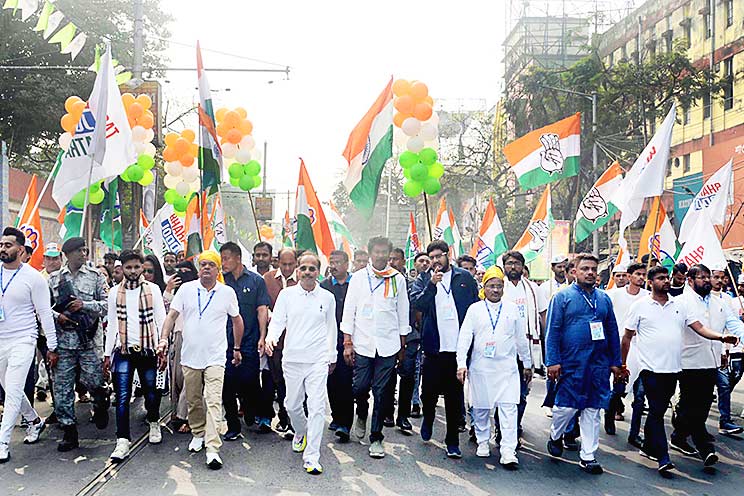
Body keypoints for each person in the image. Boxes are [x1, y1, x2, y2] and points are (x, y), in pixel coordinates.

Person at [622, 265, 739, 475]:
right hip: (651, 368)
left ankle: (650, 447)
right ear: (650, 282)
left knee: (660, 412)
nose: (666, 280)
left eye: (666, 277)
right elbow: (627, 337)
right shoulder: (640, 306)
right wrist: (621, 364)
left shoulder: (679, 305)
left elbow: (699, 328)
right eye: (660, 278)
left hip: (674, 369)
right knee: (657, 411)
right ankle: (665, 458)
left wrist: (722, 338)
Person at [158, 250, 243, 470]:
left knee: (213, 401)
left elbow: (237, 321)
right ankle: (197, 432)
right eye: (203, 264)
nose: (206, 268)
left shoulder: (226, 292)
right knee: (194, 400)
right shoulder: (186, 290)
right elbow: (171, 316)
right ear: (199, 269)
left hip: (215, 357)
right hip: (190, 356)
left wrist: (236, 347)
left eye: (211, 265)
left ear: (218, 269)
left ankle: (213, 448)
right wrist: (163, 339)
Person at [545, 253, 622, 475]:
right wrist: (553, 361)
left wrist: (615, 362)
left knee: (592, 409)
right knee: (565, 407)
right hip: (571, 363)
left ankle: (588, 456)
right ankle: (556, 434)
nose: (590, 273)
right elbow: (553, 331)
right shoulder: (562, 297)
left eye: (593, 269)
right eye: (585, 269)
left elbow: (612, 331)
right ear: (574, 271)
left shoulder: (604, 298)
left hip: (598, 364)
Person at [266, 252, 337, 475]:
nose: (307, 272)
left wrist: (331, 355)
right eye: (303, 268)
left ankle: (312, 456)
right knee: (292, 405)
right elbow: (277, 322)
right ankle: (300, 432)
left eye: (312, 268)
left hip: (317, 360)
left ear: (318, 272)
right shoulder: (287, 296)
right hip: (293, 359)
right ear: (298, 271)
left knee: (316, 407)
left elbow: (330, 329)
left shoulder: (327, 298)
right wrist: (270, 338)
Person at [668, 264, 744, 466]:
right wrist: (722, 338)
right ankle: (705, 448)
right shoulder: (681, 302)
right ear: (690, 280)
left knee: (700, 405)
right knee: (694, 405)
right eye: (701, 277)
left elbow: (733, 323)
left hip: (711, 361)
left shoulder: (720, 302)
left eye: (707, 277)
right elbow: (698, 328)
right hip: (688, 362)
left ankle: (679, 434)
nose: (706, 281)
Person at [456, 265, 531, 468]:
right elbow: (464, 338)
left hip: (507, 368)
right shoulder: (475, 309)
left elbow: (520, 339)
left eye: (499, 286)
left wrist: (527, 363)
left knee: (508, 409)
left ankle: (508, 451)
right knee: (480, 407)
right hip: (481, 367)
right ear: (484, 287)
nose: (495, 290)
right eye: (491, 286)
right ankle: (482, 441)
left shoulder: (512, 309)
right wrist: (461, 363)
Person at [341, 236, 410, 458]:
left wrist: (401, 346)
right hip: (362, 344)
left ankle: (376, 437)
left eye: (384, 252)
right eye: (376, 252)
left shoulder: (397, 279)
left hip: (388, 346)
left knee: (382, 393)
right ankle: (361, 412)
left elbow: (403, 314)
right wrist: (347, 342)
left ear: (389, 255)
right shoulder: (359, 278)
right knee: (360, 388)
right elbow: (348, 311)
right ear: (370, 253)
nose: (380, 256)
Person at [410, 240, 480, 459]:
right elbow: (418, 305)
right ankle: (428, 418)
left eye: (439, 256)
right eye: (431, 258)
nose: (435, 261)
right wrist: (431, 284)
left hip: (457, 349)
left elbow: (474, 307)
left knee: (453, 396)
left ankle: (452, 440)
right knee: (429, 393)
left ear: (448, 255)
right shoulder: (423, 279)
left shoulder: (464, 278)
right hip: (433, 346)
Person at [0, 227, 57, 463]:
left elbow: (45, 313)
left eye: (8, 245)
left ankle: (2, 443)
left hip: (24, 340)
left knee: (13, 391)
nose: (3, 249)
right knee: (8, 388)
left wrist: (52, 346)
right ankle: (34, 421)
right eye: (1, 245)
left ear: (20, 249)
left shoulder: (34, 278)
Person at [48, 236, 110, 452]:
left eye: (85, 250)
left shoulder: (95, 277)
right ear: (68, 254)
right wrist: (59, 317)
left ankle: (100, 401)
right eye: (80, 251)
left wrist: (85, 304)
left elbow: (107, 306)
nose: (84, 254)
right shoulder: (54, 279)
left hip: (89, 341)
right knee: (62, 388)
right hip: (64, 342)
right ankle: (69, 430)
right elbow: (45, 309)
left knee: (93, 381)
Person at [104, 250, 167, 462]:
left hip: (148, 349)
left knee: (151, 392)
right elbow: (112, 323)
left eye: (136, 267)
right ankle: (122, 440)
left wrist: (162, 346)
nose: (132, 271)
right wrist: (106, 354)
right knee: (122, 397)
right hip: (123, 351)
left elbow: (160, 319)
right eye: (128, 267)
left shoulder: (153, 290)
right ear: (122, 268)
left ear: (142, 267)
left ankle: (154, 421)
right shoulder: (114, 292)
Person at [219, 242, 270, 440]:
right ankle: (232, 424)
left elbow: (262, 309)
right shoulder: (221, 281)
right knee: (227, 385)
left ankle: (249, 409)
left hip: (250, 341)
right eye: (221, 258)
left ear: (238, 258)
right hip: (225, 342)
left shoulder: (256, 281)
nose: (223, 263)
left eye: (226, 258)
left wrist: (263, 336)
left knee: (249, 381)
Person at [501, 250, 546, 438]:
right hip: (503, 350)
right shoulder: (497, 286)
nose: (513, 267)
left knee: (521, 392)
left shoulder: (533, 289)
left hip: (526, 349)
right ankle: (502, 428)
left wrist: (545, 343)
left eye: (517, 263)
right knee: (502, 393)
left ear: (523, 266)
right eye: (509, 263)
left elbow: (543, 315)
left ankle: (515, 426)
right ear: (504, 266)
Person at [605, 262, 648, 439]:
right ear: (629, 276)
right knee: (618, 388)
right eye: (637, 274)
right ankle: (610, 412)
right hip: (619, 347)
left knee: (640, 395)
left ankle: (634, 433)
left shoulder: (648, 297)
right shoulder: (612, 296)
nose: (641, 277)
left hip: (643, 348)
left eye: (643, 274)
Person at [262, 248, 298, 435]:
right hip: (275, 341)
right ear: (277, 262)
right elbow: (262, 303)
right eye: (283, 264)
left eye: (290, 264)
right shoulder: (267, 279)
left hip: (296, 341)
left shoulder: (302, 280)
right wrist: (268, 313)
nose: (286, 268)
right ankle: (284, 417)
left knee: (295, 382)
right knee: (279, 381)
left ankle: (295, 420)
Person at [383, 247, 419, 434]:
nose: (392, 263)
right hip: (388, 336)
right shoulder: (382, 283)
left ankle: (403, 416)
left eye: (396, 259)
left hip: (410, 337)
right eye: (389, 259)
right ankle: (387, 412)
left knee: (407, 377)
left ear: (404, 262)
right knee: (388, 377)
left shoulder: (412, 284)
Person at [320, 250, 353, 442]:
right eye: (331, 262)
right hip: (328, 339)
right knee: (331, 380)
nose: (333, 266)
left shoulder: (355, 284)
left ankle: (345, 424)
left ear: (346, 264)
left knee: (346, 381)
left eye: (338, 262)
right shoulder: (324, 286)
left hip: (349, 339)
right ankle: (336, 415)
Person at [164, 261, 198, 433]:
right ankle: (176, 413)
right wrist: (169, 289)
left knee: (189, 380)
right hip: (177, 338)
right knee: (177, 379)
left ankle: (187, 417)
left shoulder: (199, 290)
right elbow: (165, 314)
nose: (183, 275)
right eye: (180, 272)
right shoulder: (175, 292)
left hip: (196, 339)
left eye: (187, 272)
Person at [714, 269, 744, 435]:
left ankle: (724, 420)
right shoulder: (694, 299)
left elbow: (731, 325)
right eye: (715, 277)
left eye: (721, 277)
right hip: (699, 355)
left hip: (723, 350)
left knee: (725, 385)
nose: (719, 280)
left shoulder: (726, 300)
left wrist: (725, 350)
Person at [410, 252, 431, 417]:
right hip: (415, 332)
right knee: (415, 369)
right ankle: (415, 402)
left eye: (427, 261)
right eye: (421, 261)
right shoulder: (411, 283)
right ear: (415, 264)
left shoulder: (436, 281)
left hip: (431, 332)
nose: (424, 264)